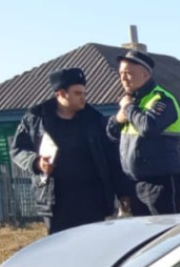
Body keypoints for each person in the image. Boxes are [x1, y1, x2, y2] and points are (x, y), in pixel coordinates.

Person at [9, 67, 127, 234]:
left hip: (92, 201)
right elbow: (18, 150)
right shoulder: (37, 119)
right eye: (77, 93)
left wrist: (122, 192)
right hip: (56, 201)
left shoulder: (94, 119)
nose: (83, 98)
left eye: (84, 93)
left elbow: (111, 157)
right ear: (61, 94)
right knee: (61, 250)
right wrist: (36, 162)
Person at [106, 49, 180, 216]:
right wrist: (117, 119)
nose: (123, 78)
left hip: (161, 184)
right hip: (135, 184)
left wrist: (128, 109)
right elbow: (110, 133)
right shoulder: (133, 102)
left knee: (165, 234)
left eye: (128, 73)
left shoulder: (162, 100)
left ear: (144, 74)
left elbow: (148, 127)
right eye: (120, 73)